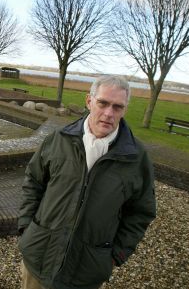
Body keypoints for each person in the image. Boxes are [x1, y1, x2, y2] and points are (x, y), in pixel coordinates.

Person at [18, 78, 156, 289]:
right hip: (38, 260)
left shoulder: (136, 158)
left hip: (84, 274)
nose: (109, 113)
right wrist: (27, 228)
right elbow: (33, 182)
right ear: (89, 101)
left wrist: (115, 255)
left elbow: (141, 211)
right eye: (103, 103)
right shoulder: (58, 140)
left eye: (117, 107)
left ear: (125, 110)